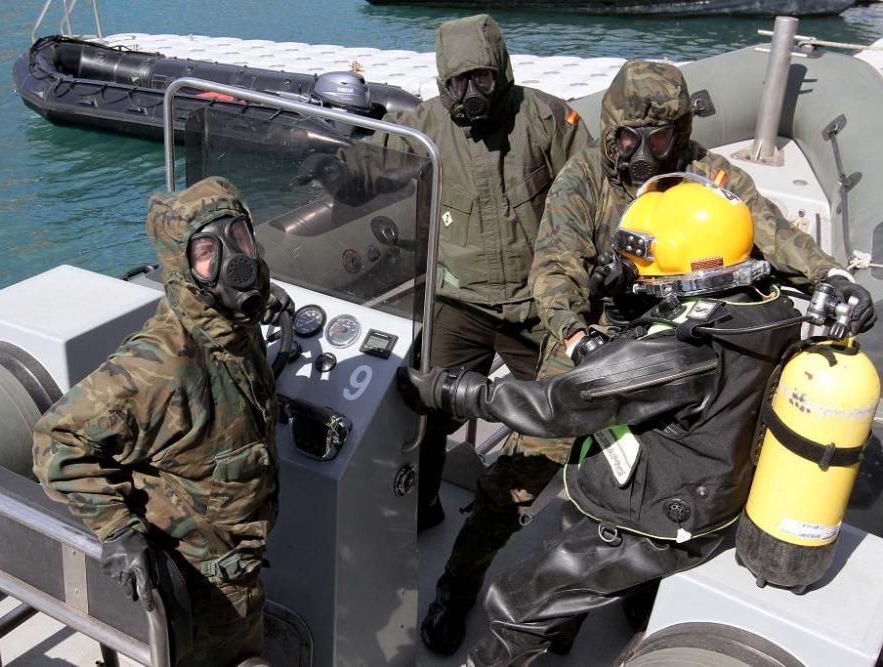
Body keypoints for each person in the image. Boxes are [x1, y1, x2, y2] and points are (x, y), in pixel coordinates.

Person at [399, 175, 875, 666]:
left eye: (646, 259)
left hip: (647, 522)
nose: (638, 270)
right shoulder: (765, 305)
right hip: (704, 491)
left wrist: (447, 390)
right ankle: (567, 632)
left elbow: (557, 405)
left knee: (519, 600)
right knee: (565, 558)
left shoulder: (686, 348)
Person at [297, 15, 590, 654]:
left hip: (538, 302)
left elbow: (589, 192)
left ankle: (554, 564)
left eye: (483, 77)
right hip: (461, 300)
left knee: (564, 427)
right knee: (425, 410)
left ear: (502, 70)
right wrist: (336, 168)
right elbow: (376, 165)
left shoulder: (547, 120)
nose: (473, 94)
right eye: (459, 83)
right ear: (442, 83)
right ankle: (419, 503)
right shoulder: (428, 125)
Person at [33, 176, 292, 667]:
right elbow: (58, 438)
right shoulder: (162, 366)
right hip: (201, 591)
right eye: (206, 252)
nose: (233, 262)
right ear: (182, 269)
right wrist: (117, 530)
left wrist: (271, 297)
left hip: (243, 572)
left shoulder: (233, 323)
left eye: (239, 238)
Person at [530, 59, 875, 361]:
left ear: (676, 135)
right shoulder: (583, 180)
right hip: (606, 326)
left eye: (659, 139)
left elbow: (768, 229)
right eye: (630, 139)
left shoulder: (706, 174)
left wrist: (830, 277)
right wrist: (576, 336)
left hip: (696, 324)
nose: (644, 153)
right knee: (552, 427)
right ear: (612, 134)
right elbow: (556, 266)